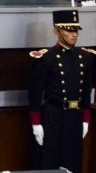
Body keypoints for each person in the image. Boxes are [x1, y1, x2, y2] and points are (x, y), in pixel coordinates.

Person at [28, 9, 92, 173]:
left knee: (73, 161)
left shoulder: (85, 57)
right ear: (56, 31)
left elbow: (86, 91)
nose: (74, 34)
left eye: (76, 30)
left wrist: (85, 119)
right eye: (69, 30)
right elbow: (35, 93)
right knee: (50, 161)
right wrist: (36, 123)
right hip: (53, 115)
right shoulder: (46, 57)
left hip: (74, 116)